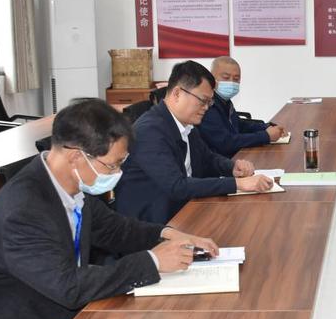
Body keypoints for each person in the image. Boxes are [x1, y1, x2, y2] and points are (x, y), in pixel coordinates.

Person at [0, 99, 220, 319]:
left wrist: (169, 234)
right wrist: (153, 261)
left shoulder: (69, 185)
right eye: (112, 165)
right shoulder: (23, 210)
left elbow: (115, 229)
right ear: (76, 157)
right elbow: (69, 287)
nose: (117, 174)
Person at [115, 61, 273, 223]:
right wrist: (238, 184)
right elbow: (177, 186)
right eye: (203, 101)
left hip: (185, 208)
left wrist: (232, 167)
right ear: (177, 93)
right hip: (154, 222)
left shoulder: (185, 123)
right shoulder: (150, 131)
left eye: (209, 102)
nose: (206, 107)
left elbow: (207, 158)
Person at [197, 56, 287, 157]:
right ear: (212, 78)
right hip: (219, 163)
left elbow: (239, 125)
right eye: (226, 77)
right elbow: (226, 142)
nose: (232, 82)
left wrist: (266, 127)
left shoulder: (224, 101)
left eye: (236, 79)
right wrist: (266, 136)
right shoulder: (207, 105)